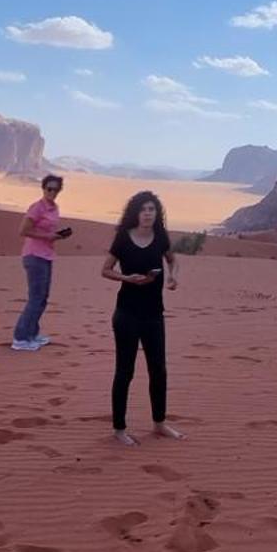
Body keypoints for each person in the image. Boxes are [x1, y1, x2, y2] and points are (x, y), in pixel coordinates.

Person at [102, 191, 182, 447]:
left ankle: (159, 423)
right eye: (144, 209)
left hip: (154, 315)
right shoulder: (123, 239)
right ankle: (119, 429)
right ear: (136, 212)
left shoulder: (160, 238)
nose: (148, 213)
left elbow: (173, 261)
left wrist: (173, 276)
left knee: (158, 370)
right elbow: (105, 270)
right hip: (126, 314)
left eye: (152, 209)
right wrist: (128, 278)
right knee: (125, 372)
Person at [13, 174, 73, 351]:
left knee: (43, 298)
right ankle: (20, 338)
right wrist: (47, 236)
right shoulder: (37, 207)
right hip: (34, 255)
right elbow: (23, 230)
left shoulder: (54, 208)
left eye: (56, 189)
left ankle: (32, 333)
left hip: (47, 255)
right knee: (35, 298)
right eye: (49, 188)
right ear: (43, 188)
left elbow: (48, 232)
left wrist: (56, 236)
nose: (52, 192)